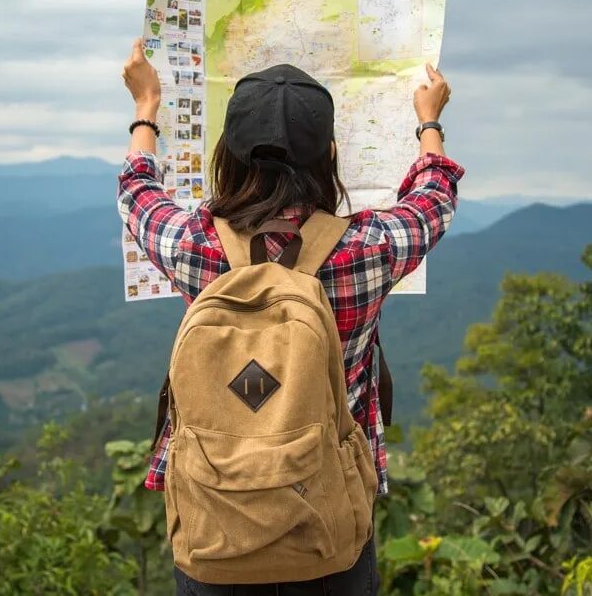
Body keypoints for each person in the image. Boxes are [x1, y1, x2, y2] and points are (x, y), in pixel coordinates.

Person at [117, 38, 463, 595]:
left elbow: (137, 192)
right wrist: (428, 123)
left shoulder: (193, 245)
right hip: (327, 531)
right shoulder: (365, 249)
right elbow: (434, 198)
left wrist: (146, 110)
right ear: (329, 154)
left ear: (226, 153)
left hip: (216, 525)